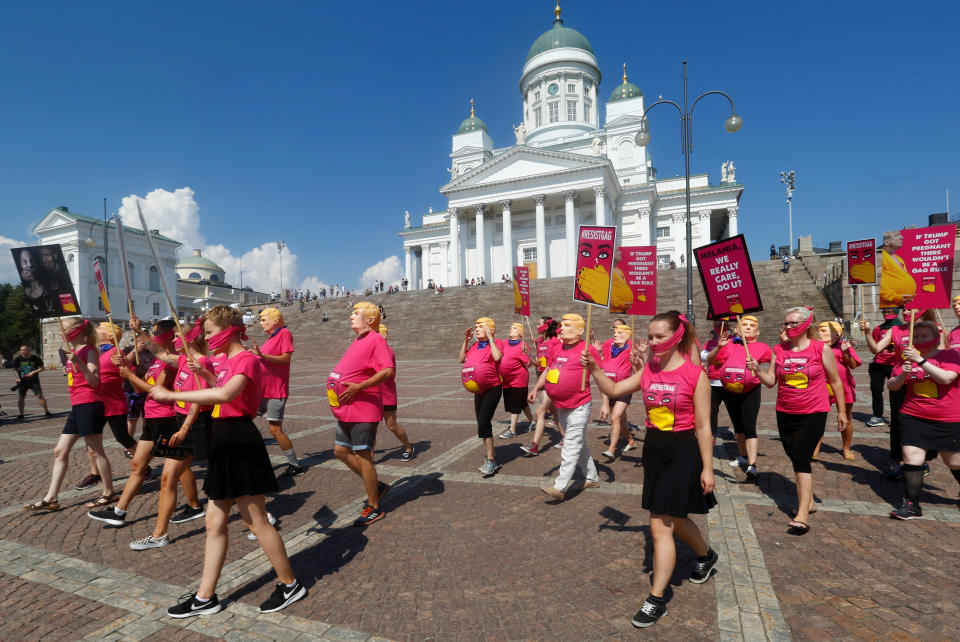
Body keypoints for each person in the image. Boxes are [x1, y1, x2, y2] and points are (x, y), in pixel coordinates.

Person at [149, 306, 305, 616]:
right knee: (214, 521)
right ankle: (205, 597)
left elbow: (225, 396)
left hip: (238, 440)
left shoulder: (245, 358)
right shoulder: (228, 362)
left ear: (229, 331)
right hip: (223, 437)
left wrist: (171, 397)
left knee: (256, 520)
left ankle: (290, 584)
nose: (205, 338)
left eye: (209, 332)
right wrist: (205, 373)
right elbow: (219, 386)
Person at [583, 310, 718, 628]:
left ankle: (657, 599)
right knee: (674, 516)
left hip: (684, 450)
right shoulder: (649, 371)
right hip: (655, 449)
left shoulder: (695, 375)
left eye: (660, 337)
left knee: (660, 524)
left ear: (676, 336)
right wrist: (594, 370)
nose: (654, 342)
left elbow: (703, 427)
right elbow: (616, 390)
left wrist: (708, 468)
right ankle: (706, 555)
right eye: (651, 336)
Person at [88, 317, 205, 541]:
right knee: (138, 465)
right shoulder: (159, 359)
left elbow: (155, 391)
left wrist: (129, 373)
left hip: (167, 418)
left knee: (176, 470)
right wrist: (127, 366)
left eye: (155, 333)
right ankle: (119, 512)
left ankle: (194, 505)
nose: (152, 337)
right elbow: (137, 388)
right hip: (151, 418)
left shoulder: (175, 362)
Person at [748, 306, 848, 535]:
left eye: (793, 323)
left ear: (805, 325)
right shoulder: (779, 350)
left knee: (802, 458)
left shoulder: (820, 349)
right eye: (786, 323)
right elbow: (771, 381)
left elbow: (835, 381)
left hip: (813, 412)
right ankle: (809, 501)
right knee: (794, 456)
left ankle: (802, 513)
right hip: (785, 411)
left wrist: (841, 412)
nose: (788, 327)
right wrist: (757, 370)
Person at [24, 318, 116, 511]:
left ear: (76, 331)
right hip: (78, 406)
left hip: (89, 404)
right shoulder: (72, 352)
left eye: (63, 330)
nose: (60, 333)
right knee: (60, 450)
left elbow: (94, 381)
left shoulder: (89, 351)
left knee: (95, 450)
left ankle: (109, 492)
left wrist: (79, 363)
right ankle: (51, 498)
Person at [328, 302, 395, 525]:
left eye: (356, 314)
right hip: (347, 408)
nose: (351, 317)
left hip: (363, 408)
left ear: (370, 320)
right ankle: (376, 486)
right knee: (339, 451)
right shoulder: (358, 340)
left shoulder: (376, 339)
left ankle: (374, 506)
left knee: (363, 456)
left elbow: (387, 370)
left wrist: (360, 386)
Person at [886, 320, 960, 519]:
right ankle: (912, 505)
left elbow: (946, 378)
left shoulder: (950, 355)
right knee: (911, 457)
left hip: (948, 417)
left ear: (935, 338)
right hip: (914, 415)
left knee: (954, 462)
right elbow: (892, 386)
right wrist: (903, 374)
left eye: (924, 336)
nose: (919, 339)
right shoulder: (905, 359)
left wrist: (921, 361)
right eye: (916, 336)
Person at [531, 313, 601, 502]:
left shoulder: (587, 349)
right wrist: (537, 387)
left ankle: (560, 487)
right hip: (562, 405)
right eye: (562, 325)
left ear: (580, 330)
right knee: (577, 443)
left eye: (568, 325)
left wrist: (607, 403)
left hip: (579, 404)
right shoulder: (557, 347)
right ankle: (592, 477)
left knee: (570, 444)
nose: (562, 328)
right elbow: (548, 369)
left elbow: (600, 375)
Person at [863, 308, 939, 477]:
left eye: (912, 308)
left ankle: (923, 460)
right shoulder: (895, 330)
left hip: (924, 379)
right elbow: (876, 349)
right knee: (899, 420)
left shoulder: (934, 328)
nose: (906, 311)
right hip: (900, 378)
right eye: (904, 308)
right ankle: (902, 460)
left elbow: (941, 354)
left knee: (924, 419)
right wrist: (868, 334)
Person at [711, 316, 772, 480]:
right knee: (738, 428)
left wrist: (761, 370)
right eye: (743, 325)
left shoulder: (763, 347)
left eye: (752, 326)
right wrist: (719, 347)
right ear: (736, 330)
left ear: (757, 331)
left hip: (750, 391)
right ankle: (743, 456)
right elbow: (713, 361)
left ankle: (752, 465)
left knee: (749, 426)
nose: (748, 328)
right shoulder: (729, 344)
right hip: (730, 390)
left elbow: (775, 360)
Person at [78, 324, 138, 485]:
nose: (95, 332)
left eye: (99, 330)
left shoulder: (117, 353)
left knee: (123, 438)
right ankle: (94, 473)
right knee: (91, 440)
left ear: (110, 337)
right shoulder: (93, 352)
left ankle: (142, 464)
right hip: (94, 402)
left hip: (114, 403)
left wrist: (123, 364)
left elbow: (131, 373)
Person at [251, 308, 304, 477]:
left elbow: (285, 359)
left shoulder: (284, 333)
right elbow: (263, 358)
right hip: (262, 390)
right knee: (243, 419)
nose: (261, 323)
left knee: (275, 430)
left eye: (263, 319)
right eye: (260, 320)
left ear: (275, 320)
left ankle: (295, 465)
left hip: (275, 391)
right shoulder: (271, 337)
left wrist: (262, 355)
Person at [459, 317, 504, 476]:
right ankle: (492, 456)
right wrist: (466, 341)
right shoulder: (474, 346)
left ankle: (491, 460)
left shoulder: (497, 342)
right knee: (481, 423)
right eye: (476, 326)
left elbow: (498, 357)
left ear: (491, 330)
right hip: (479, 390)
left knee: (484, 420)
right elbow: (461, 359)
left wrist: (490, 338)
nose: (476, 329)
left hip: (493, 388)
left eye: (481, 326)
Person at [812, 321, 860, 460]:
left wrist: (846, 352)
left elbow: (853, 365)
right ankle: (815, 448)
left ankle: (846, 448)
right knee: (818, 419)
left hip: (843, 387)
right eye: (819, 330)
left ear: (835, 334)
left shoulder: (843, 345)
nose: (819, 333)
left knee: (846, 418)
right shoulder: (816, 346)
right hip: (821, 387)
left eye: (823, 330)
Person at [522, 317, 563, 456]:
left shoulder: (555, 342)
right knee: (555, 413)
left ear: (546, 326)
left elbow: (556, 363)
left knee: (540, 412)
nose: (536, 325)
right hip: (541, 378)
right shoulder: (540, 342)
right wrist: (529, 357)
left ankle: (534, 446)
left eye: (539, 323)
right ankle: (567, 437)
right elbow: (538, 363)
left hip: (551, 380)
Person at [598, 324, 637, 459]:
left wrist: (638, 359)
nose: (615, 334)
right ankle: (631, 441)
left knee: (615, 417)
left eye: (619, 332)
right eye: (614, 332)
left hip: (624, 388)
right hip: (609, 387)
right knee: (620, 421)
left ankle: (612, 449)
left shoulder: (632, 348)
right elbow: (601, 371)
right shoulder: (609, 346)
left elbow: (640, 371)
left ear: (627, 335)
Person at [378, 324, 415, 461]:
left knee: (391, 425)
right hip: (372, 393)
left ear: (384, 336)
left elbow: (388, 373)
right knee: (370, 427)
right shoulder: (371, 350)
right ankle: (369, 459)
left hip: (386, 394)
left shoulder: (387, 351)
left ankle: (408, 447)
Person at [860, 309, 902, 428]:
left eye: (889, 311)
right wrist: (867, 334)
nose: (886, 314)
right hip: (878, 364)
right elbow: (874, 345)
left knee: (896, 392)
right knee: (876, 390)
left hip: (894, 364)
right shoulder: (878, 328)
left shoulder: (903, 328)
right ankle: (877, 415)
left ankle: (897, 416)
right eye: (884, 312)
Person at [497, 323, 534, 439]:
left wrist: (528, 354)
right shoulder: (503, 343)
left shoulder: (523, 345)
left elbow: (529, 364)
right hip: (506, 380)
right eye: (510, 328)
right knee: (522, 403)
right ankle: (533, 422)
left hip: (519, 378)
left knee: (515, 403)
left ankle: (512, 430)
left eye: (514, 328)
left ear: (520, 333)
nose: (510, 329)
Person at [701, 322, 727, 444]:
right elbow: (704, 357)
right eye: (717, 324)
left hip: (728, 381)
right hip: (712, 381)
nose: (719, 326)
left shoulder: (734, 341)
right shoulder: (709, 343)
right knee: (711, 409)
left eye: (723, 324)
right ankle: (712, 433)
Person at [12, 345, 52, 419]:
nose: (23, 352)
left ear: (28, 350)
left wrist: (34, 372)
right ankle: (21, 414)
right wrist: (17, 377)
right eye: (21, 350)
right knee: (21, 397)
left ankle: (47, 411)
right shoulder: (18, 359)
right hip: (23, 381)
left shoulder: (35, 358)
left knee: (40, 395)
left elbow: (42, 368)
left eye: (25, 350)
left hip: (34, 381)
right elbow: (15, 369)